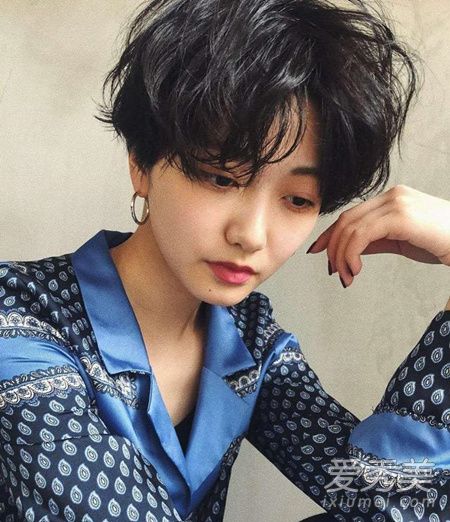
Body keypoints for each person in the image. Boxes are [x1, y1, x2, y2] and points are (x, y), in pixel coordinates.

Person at [0, 0, 449, 520]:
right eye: (221, 177)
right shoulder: (19, 321)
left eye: (298, 199)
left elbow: (390, 502)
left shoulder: (247, 339)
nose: (251, 235)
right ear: (142, 164)